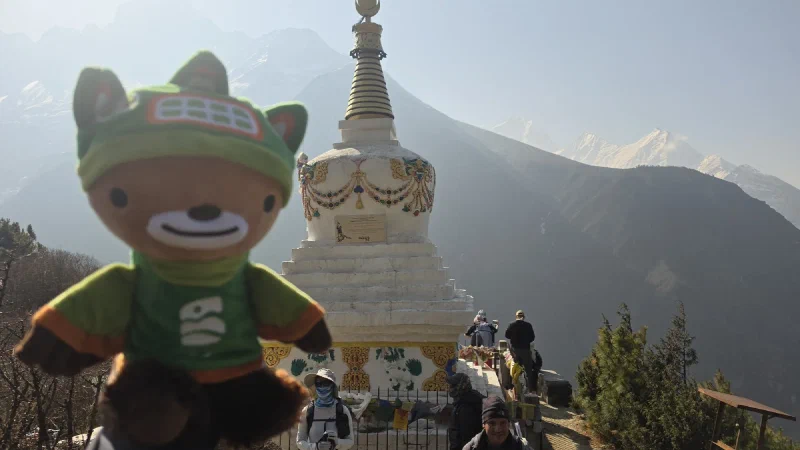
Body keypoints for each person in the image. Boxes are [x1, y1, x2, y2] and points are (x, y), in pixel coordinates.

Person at [297, 369, 355, 450]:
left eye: (326, 383)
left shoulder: (342, 410)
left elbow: (350, 441)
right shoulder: (307, 411)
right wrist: (315, 447)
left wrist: (337, 442)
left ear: (332, 385)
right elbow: (300, 441)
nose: (322, 387)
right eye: (318, 383)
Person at [462, 397, 529, 450]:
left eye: (503, 423)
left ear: (508, 424)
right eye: (492, 423)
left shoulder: (521, 447)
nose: (498, 429)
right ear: (483, 425)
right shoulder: (471, 448)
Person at [446, 373, 485, 450]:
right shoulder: (464, 400)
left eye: (452, 386)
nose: (449, 389)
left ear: (461, 386)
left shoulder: (467, 406)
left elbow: (466, 435)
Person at [504, 310, 536, 393]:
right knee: (528, 369)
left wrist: (513, 338)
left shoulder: (512, 325)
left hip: (515, 350)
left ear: (516, 317)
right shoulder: (528, 325)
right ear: (523, 317)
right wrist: (526, 341)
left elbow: (507, 335)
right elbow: (532, 337)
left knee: (513, 367)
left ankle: (511, 387)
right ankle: (530, 389)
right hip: (525, 350)